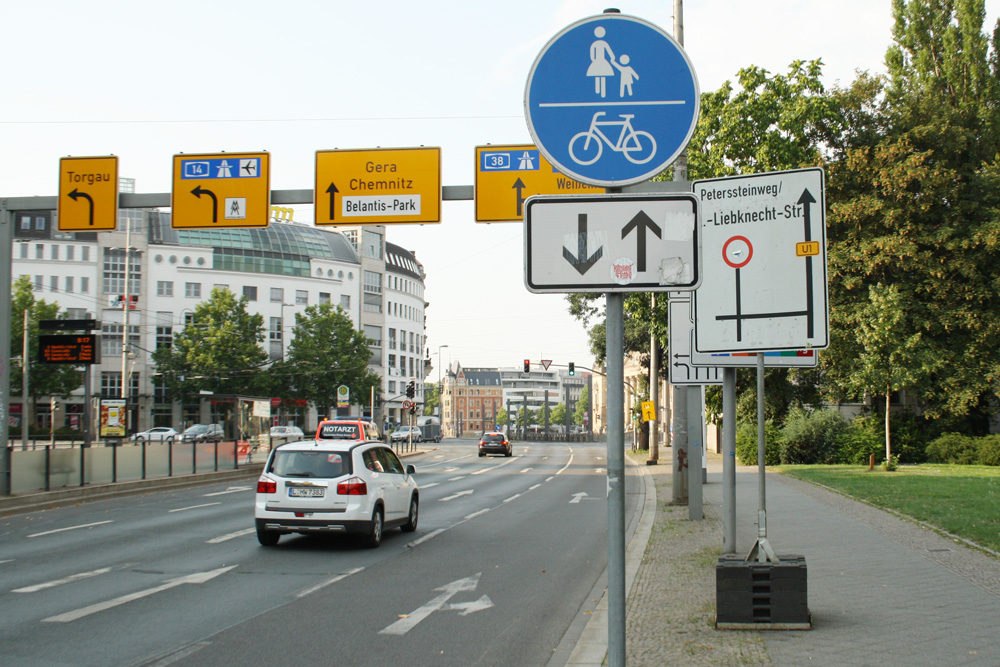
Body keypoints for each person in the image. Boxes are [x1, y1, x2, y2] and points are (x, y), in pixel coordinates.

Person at [587, 26, 616, 98]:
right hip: (600, 61)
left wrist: (593, 59)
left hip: (598, 61)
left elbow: (592, 54)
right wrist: (612, 57)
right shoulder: (601, 43)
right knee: (599, 75)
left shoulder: (597, 44)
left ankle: (600, 92)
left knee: (600, 75)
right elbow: (609, 52)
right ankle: (599, 93)